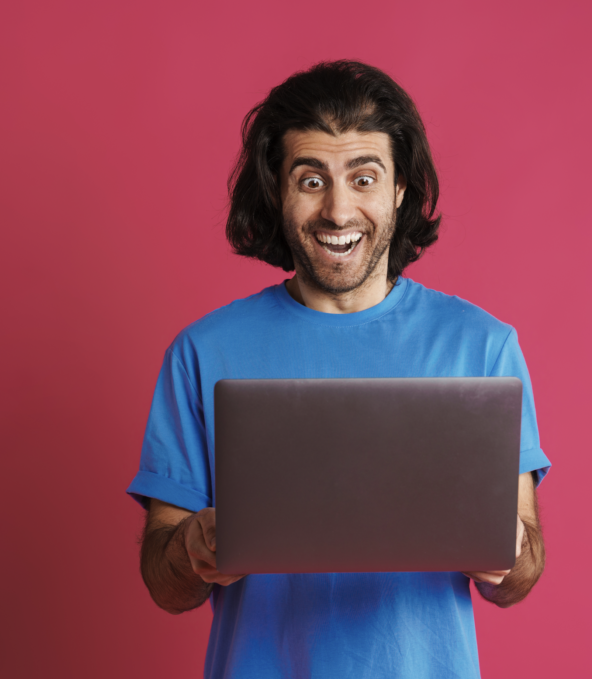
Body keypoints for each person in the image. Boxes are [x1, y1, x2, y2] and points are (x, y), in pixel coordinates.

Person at [128, 60, 550, 679]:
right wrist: (192, 549)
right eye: (310, 180)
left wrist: (507, 555)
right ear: (277, 190)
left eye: (364, 177)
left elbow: (520, 575)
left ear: (399, 189)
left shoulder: (481, 346)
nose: (338, 210)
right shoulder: (202, 352)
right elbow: (164, 585)